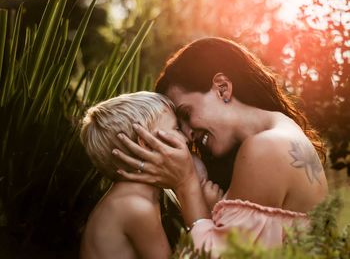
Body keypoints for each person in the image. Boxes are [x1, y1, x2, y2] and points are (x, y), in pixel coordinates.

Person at [111, 37, 329, 255]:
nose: (188, 134)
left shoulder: (266, 148)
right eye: (179, 126)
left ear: (222, 88)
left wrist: (185, 184)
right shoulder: (283, 130)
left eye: (186, 114)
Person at [79, 91, 222, 259]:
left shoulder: (134, 198)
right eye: (176, 128)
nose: (186, 138)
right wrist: (211, 212)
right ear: (146, 143)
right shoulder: (137, 207)